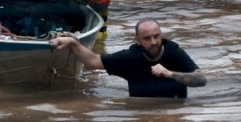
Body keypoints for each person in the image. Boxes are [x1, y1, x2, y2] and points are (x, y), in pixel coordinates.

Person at [48, 18, 207, 98]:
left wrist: (171, 74)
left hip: (175, 111)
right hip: (141, 113)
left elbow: (201, 80)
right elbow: (93, 61)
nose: (153, 42)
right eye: (147, 38)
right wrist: (72, 43)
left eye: (156, 36)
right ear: (138, 40)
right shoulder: (131, 57)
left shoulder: (174, 53)